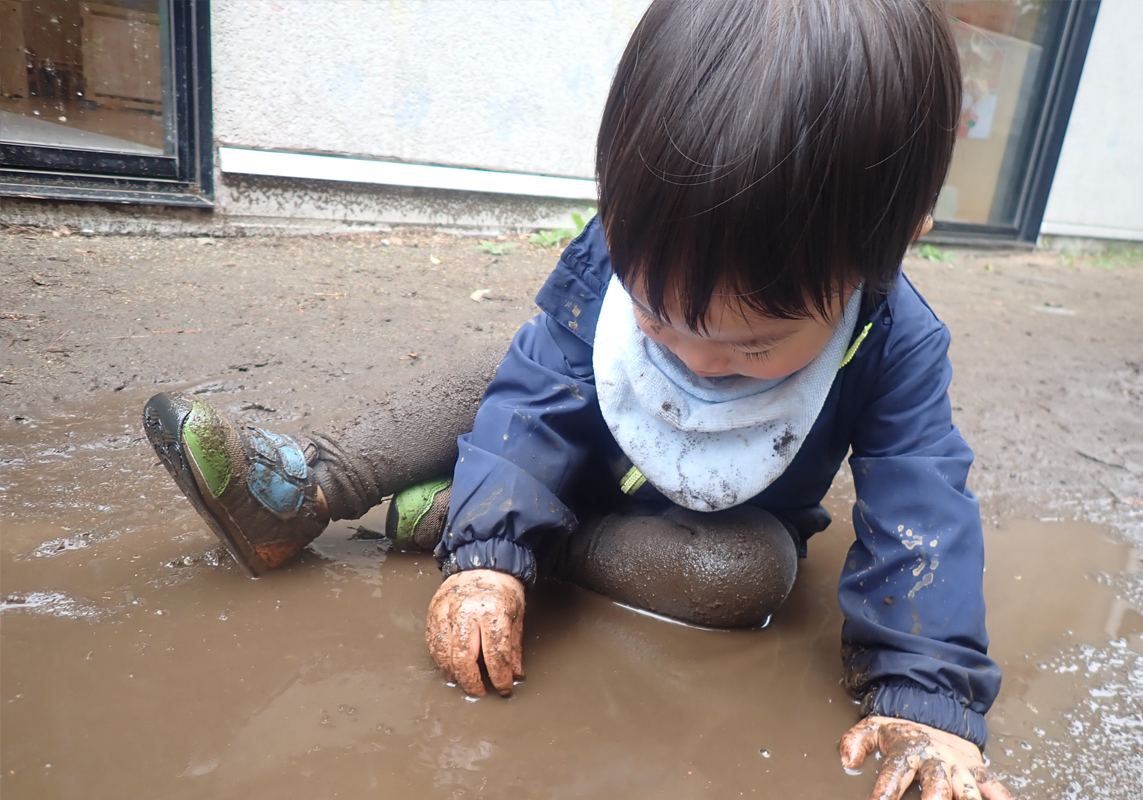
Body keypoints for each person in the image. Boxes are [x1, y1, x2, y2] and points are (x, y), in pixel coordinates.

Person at [142, 1, 1015, 797]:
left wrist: (929, 707)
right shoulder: (609, 255)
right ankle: (313, 484)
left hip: (696, 526)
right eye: (658, 317)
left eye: (752, 344)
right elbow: (529, 403)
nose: (698, 362)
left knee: (749, 576)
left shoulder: (899, 342)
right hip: (577, 442)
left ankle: (475, 522)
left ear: (890, 248)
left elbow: (922, 516)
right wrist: (484, 566)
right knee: (498, 371)